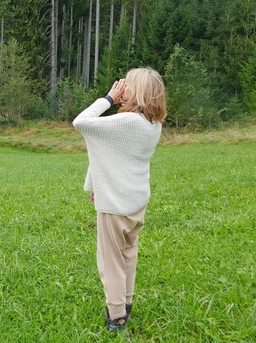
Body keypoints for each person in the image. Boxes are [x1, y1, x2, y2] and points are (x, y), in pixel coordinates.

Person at [72, 67, 167, 333]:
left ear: (140, 93)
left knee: (110, 261)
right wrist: (95, 185)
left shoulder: (126, 122)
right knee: (128, 255)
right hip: (136, 202)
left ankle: (117, 316)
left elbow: (81, 122)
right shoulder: (152, 124)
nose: (122, 87)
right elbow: (112, 154)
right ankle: (126, 303)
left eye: (127, 85)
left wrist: (109, 98)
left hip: (115, 206)